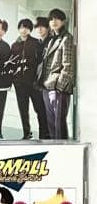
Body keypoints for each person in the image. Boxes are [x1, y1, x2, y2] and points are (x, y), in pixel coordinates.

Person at [39, 8, 74, 139]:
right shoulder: (52, 39)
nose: (54, 21)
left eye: (57, 18)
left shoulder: (67, 38)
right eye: (51, 19)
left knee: (59, 125)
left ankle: (63, 149)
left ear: (63, 21)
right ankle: (55, 147)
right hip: (47, 86)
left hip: (58, 89)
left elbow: (68, 66)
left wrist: (59, 87)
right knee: (51, 125)